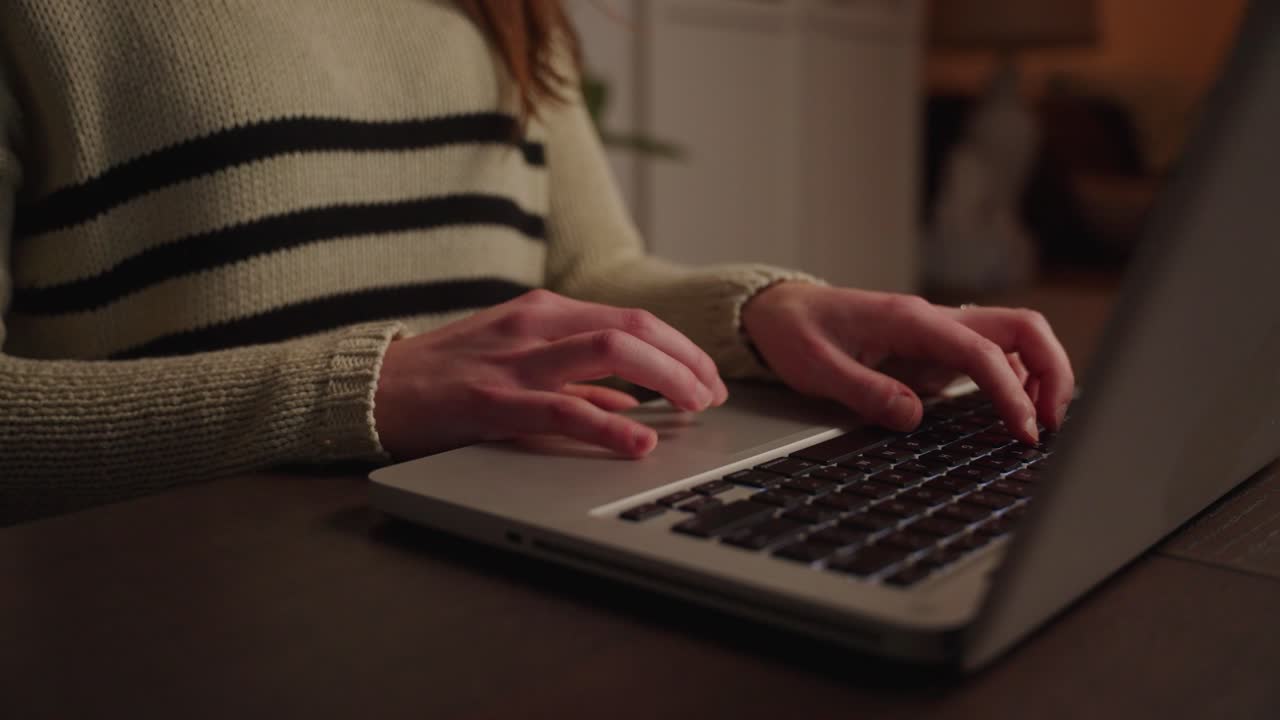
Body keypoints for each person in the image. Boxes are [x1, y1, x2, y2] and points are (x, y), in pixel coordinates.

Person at [0, 0, 1073, 526]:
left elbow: (592, 271)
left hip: (483, 548)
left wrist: (768, 310)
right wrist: (363, 388)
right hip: (180, 590)